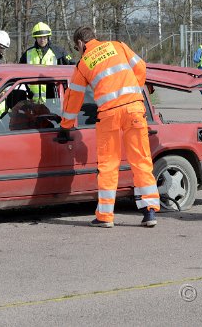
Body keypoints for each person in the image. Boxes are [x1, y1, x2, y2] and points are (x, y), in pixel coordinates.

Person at [58, 26, 160, 228]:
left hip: (109, 115)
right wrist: (134, 93)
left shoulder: (83, 64)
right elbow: (140, 67)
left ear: (80, 44)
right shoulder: (118, 46)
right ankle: (149, 212)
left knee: (108, 164)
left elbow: (73, 98)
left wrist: (65, 125)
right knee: (141, 160)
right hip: (134, 110)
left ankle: (105, 216)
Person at [20, 22, 73, 102]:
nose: (42, 40)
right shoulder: (28, 53)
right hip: (32, 101)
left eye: (44, 37)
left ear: (48, 37)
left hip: (54, 101)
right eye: (39, 37)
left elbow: (72, 67)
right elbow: (19, 73)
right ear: (35, 38)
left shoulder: (59, 52)